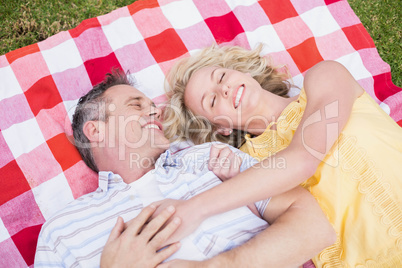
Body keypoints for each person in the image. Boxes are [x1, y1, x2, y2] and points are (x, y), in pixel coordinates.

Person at [34, 70, 335, 268]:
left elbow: (316, 226)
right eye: (137, 105)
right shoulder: (62, 232)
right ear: (95, 131)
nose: (157, 110)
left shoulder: (213, 160)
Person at [163, 44, 402, 267]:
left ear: (243, 74)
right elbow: (288, 227)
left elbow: (302, 159)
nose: (223, 89)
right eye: (213, 100)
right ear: (222, 128)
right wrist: (240, 186)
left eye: (222, 77)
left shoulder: (325, 77)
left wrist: (195, 209)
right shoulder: (245, 168)